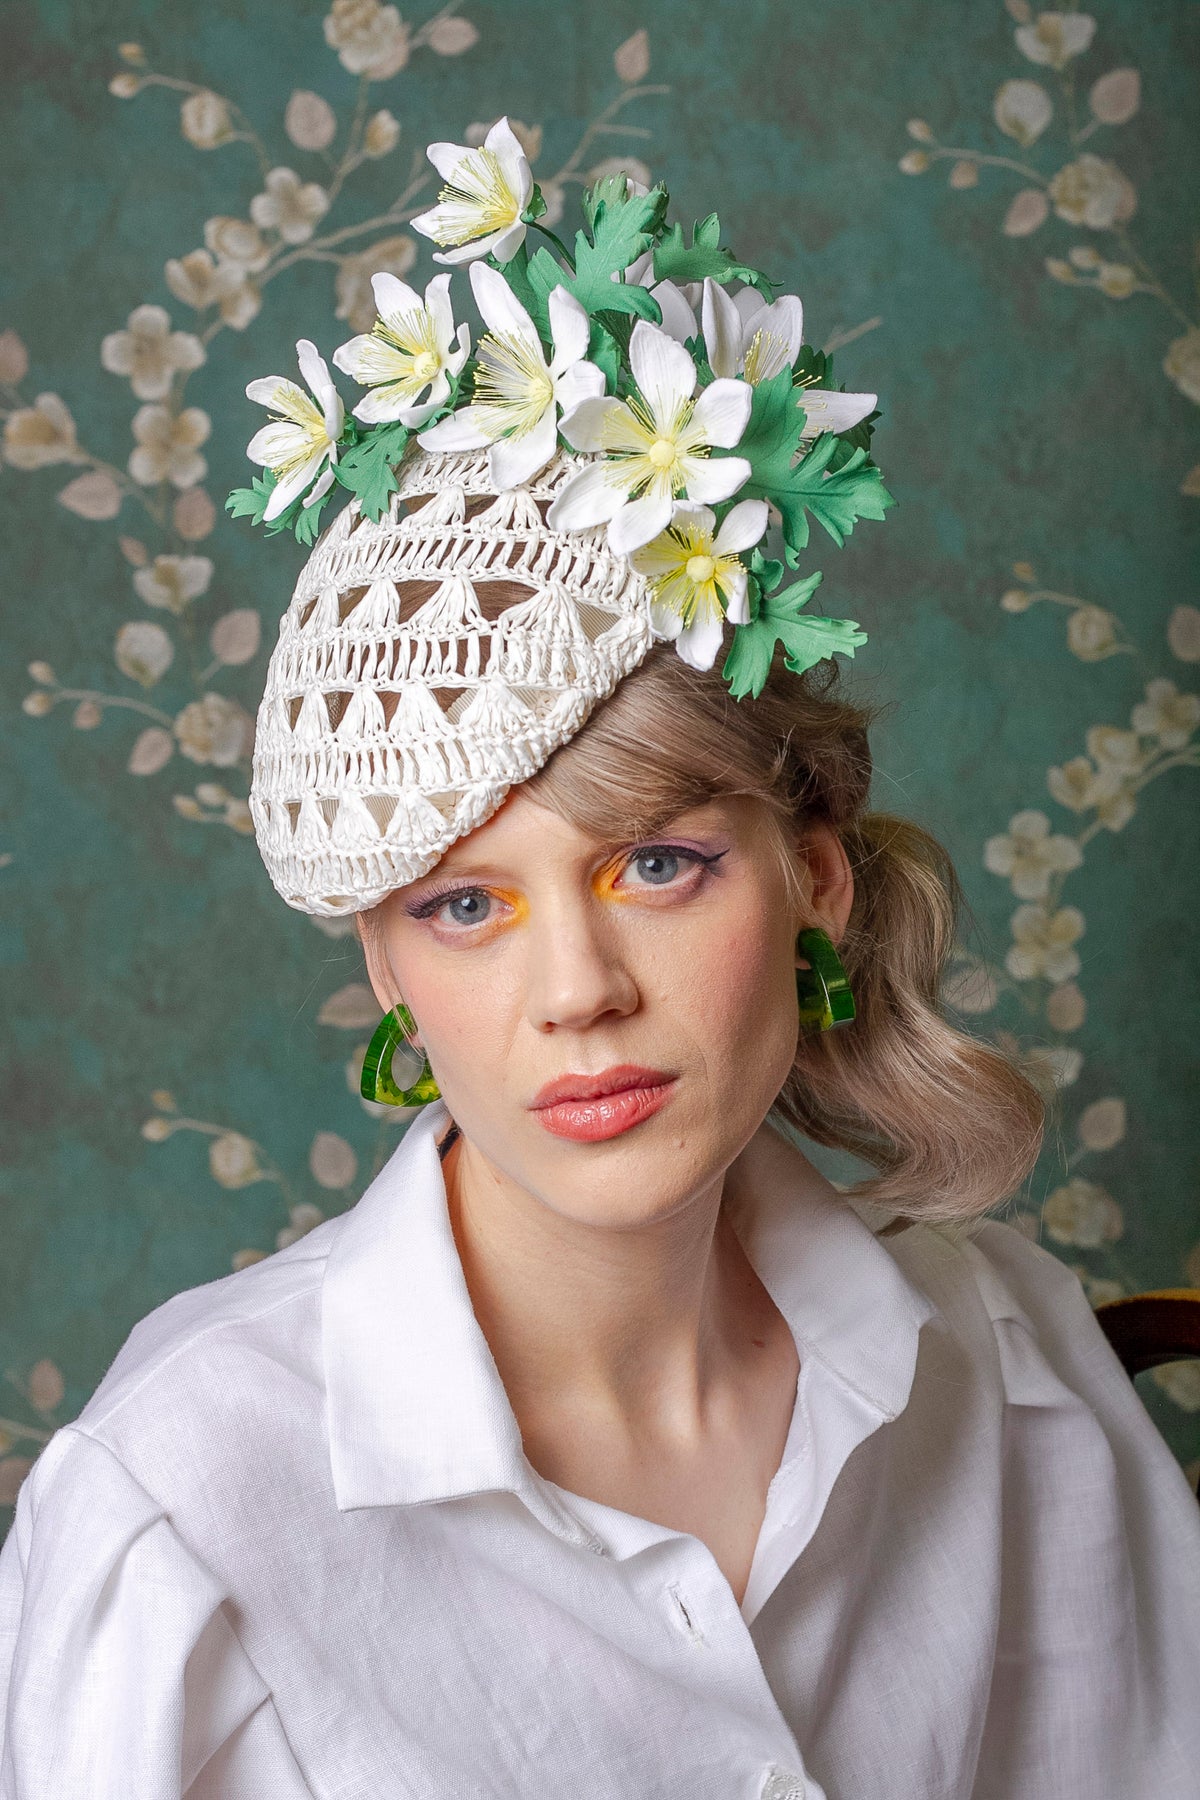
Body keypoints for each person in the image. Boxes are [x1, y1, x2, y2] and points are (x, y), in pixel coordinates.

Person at [3, 120, 1199, 1800]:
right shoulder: (184, 1515)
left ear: (815, 880)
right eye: (465, 906)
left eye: (656, 865)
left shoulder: (1009, 1370)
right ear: (385, 968)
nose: (578, 992)